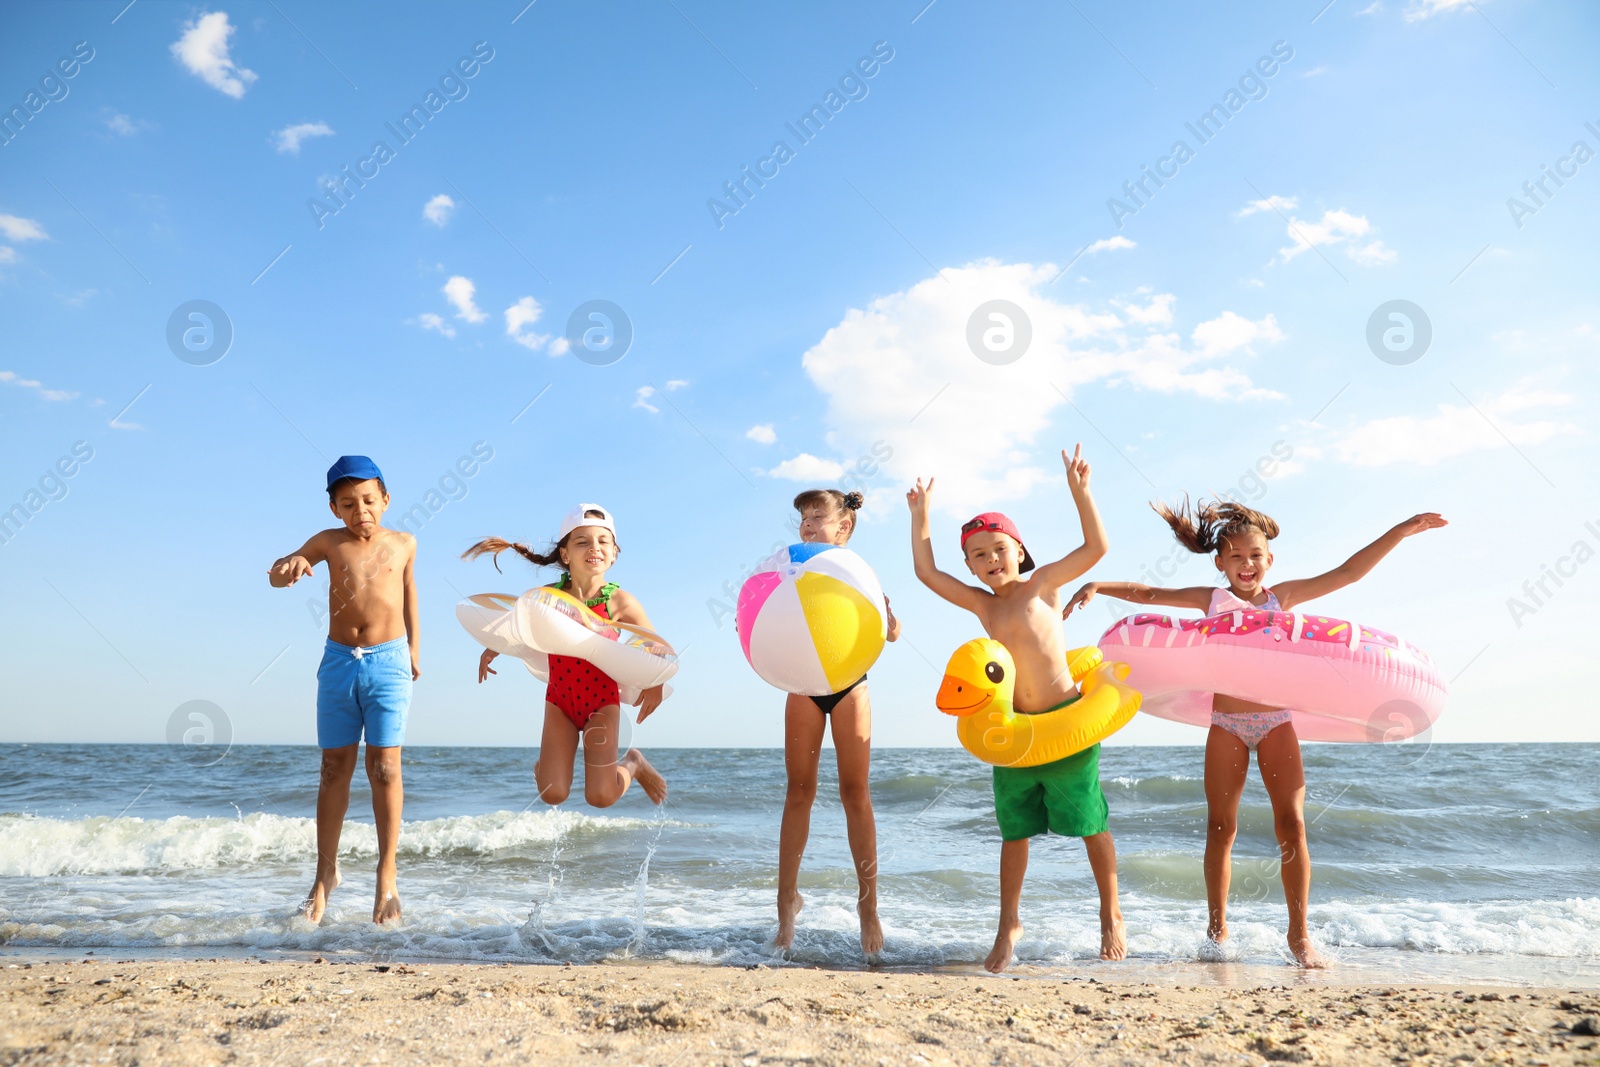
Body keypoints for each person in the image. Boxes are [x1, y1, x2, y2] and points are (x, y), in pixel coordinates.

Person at [1066, 498, 1447, 967]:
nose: (1247, 565)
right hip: (1226, 723)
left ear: (1269, 560)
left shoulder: (1279, 600)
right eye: (1237, 557)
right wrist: (1098, 585)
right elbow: (1148, 595)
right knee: (1221, 827)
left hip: (1275, 723)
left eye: (1255, 556)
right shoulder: (1211, 601)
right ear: (1220, 562)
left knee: (1293, 824)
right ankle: (1217, 932)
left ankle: (1299, 935)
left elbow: (1347, 574)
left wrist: (1402, 530)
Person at [908, 445, 1124, 973]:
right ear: (971, 567)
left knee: (1091, 823)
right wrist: (921, 519)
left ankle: (1110, 913)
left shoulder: (1044, 584)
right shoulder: (984, 604)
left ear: (1019, 548)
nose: (991, 560)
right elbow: (926, 575)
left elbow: (1097, 546)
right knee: (1014, 832)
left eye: (999, 548)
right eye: (978, 555)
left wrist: (1081, 493)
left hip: (1065, 726)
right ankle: (1008, 924)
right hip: (1015, 734)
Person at [267, 455, 418, 925]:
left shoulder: (405, 542)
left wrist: (414, 649)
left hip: (389, 662)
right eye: (348, 503)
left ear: (386, 499)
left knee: (385, 768)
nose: (361, 511)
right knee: (334, 769)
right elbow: (277, 572)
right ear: (334, 508)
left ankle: (386, 874)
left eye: (369, 500)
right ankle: (324, 876)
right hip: (338, 663)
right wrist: (288, 565)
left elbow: (410, 592)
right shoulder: (329, 542)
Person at [466, 504, 668, 807]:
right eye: (582, 541)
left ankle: (634, 764)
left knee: (600, 797)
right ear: (565, 554)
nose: (594, 548)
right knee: (552, 793)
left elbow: (656, 646)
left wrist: (655, 683)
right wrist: (493, 646)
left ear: (614, 553)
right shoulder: (547, 596)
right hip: (560, 700)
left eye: (603, 541)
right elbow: (520, 626)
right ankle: (551, 769)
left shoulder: (620, 601)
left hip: (602, 702)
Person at [775, 490, 901, 959]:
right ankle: (787, 901)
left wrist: (889, 622)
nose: (807, 525)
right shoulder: (790, 566)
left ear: (843, 527)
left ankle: (868, 905)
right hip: (803, 682)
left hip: (851, 682)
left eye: (817, 517)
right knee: (798, 792)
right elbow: (775, 619)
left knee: (856, 793)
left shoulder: (856, 570)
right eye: (803, 518)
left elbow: (890, 630)